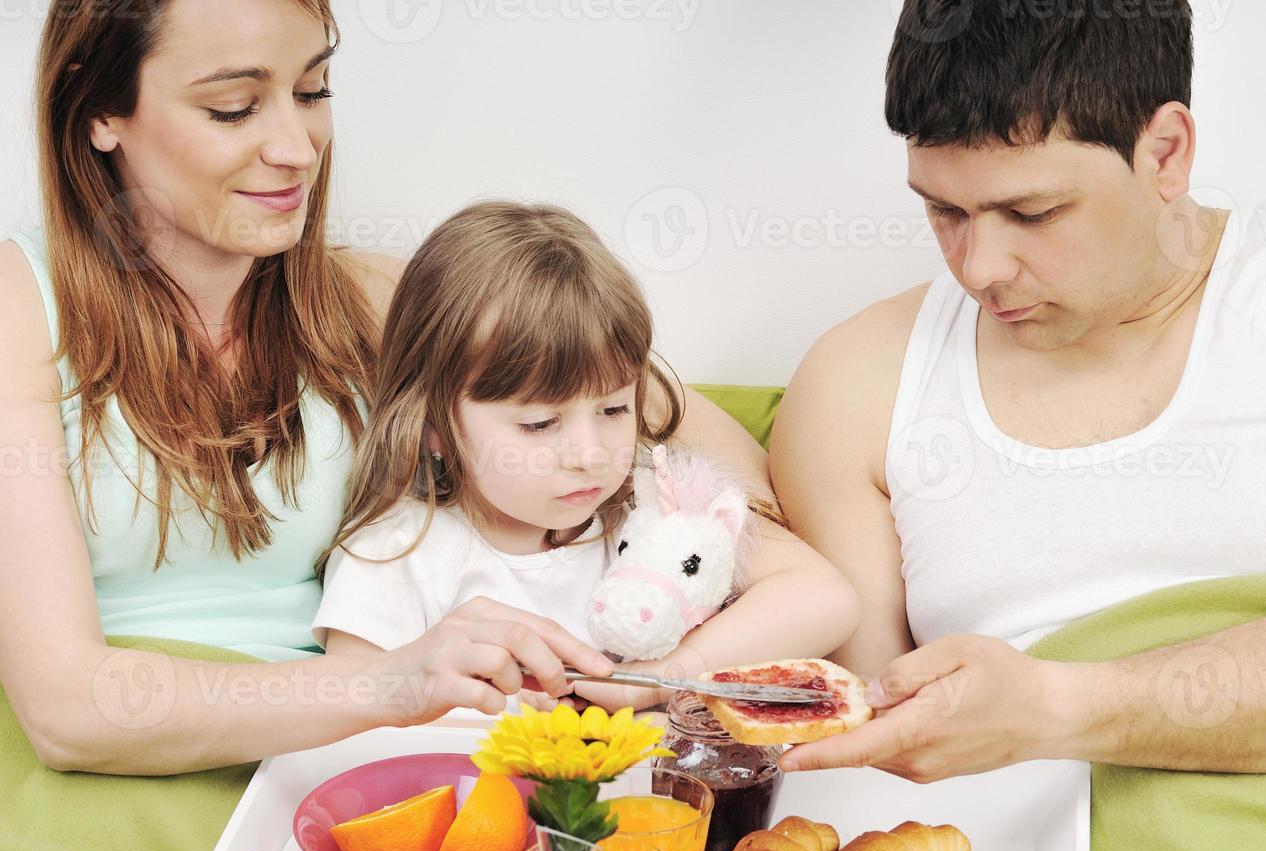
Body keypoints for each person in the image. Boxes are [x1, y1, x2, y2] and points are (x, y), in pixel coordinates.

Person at [0, 0, 775, 776]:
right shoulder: (20, 311)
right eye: (232, 108)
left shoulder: (366, 300)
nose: (297, 148)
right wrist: (387, 681)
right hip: (118, 782)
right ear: (99, 108)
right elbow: (70, 713)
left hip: (330, 769)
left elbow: (694, 442)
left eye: (313, 92)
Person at [772, 0, 1266, 780]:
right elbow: (868, 746)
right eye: (944, 211)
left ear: (1166, 152)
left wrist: (1055, 709)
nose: (980, 270)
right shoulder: (853, 383)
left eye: (1032, 212)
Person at [311, 200, 859, 710]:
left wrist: (657, 680)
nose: (590, 455)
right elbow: (351, 712)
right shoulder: (399, 551)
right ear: (433, 425)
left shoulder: (647, 506)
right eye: (540, 423)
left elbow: (825, 597)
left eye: (615, 410)